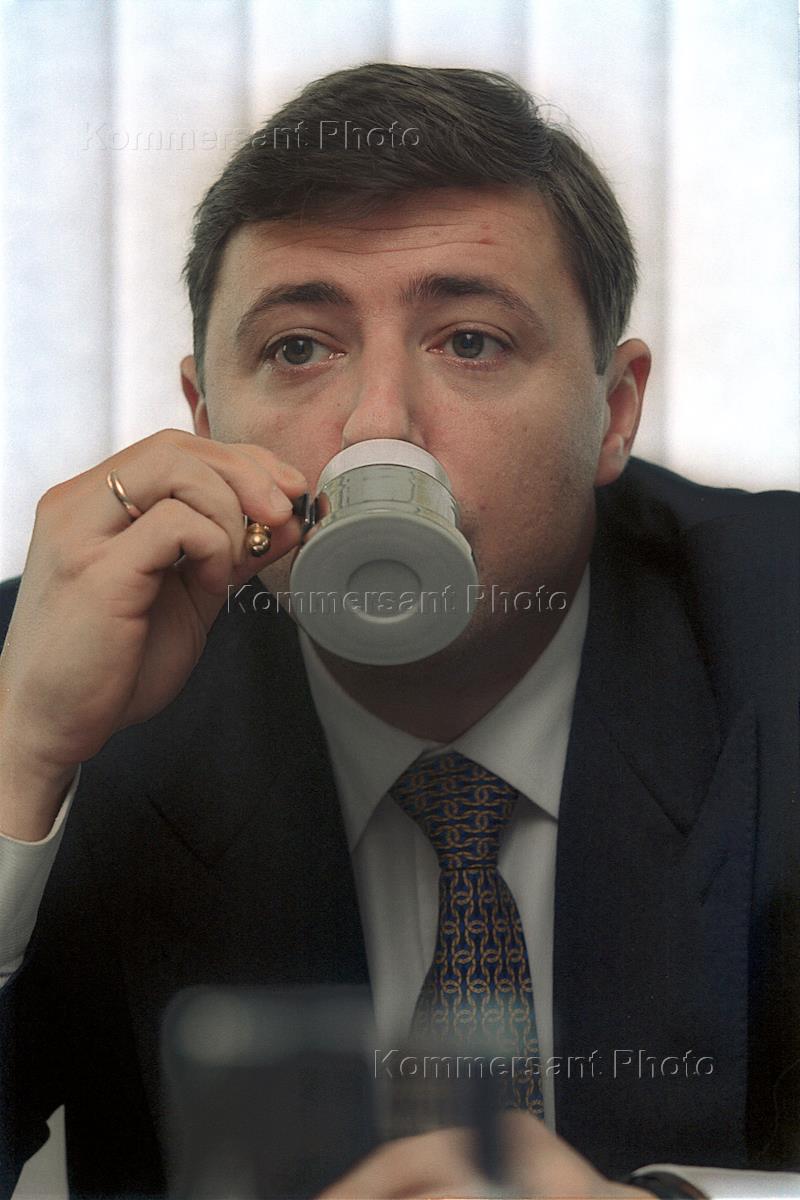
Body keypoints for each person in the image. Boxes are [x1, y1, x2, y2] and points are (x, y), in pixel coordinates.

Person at [0, 62, 798, 1200]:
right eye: (298, 349)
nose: (378, 426)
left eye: (469, 341)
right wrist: (20, 760)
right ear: (205, 417)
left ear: (612, 411)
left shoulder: (774, 627)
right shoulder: (68, 662)